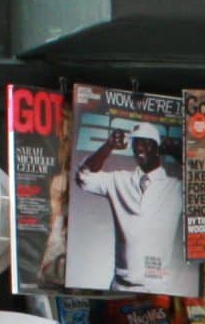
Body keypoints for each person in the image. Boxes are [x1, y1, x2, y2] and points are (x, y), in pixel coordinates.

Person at [76, 122, 192, 295]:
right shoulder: (119, 181)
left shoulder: (176, 188)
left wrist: (176, 151)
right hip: (119, 286)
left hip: (158, 288)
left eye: (145, 142)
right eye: (135, 142)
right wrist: (109, 146)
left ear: (156, 148)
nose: (138, 147)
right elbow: (83, 178)